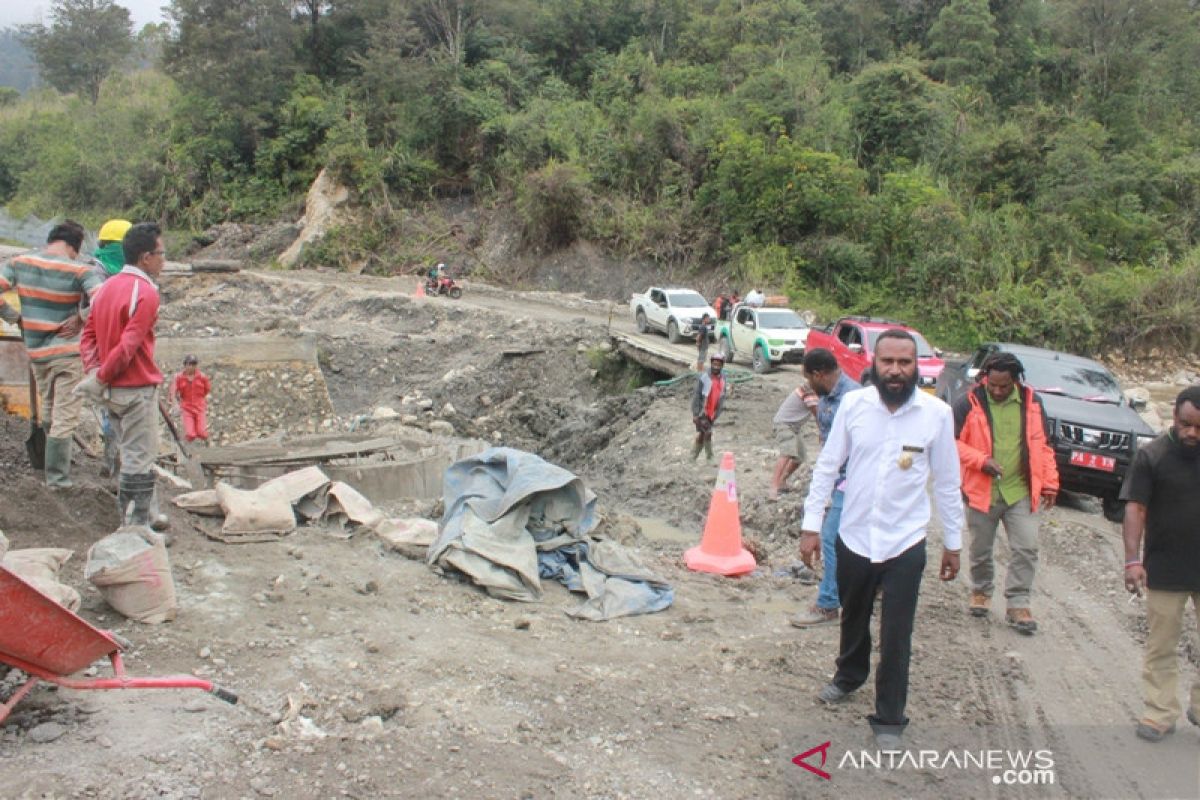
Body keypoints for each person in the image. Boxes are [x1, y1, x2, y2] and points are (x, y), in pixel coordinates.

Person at [799, 330, 963, 747]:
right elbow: (827, 465)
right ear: (874, 363)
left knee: (896, 634)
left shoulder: (937, 415)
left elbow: (947, 481)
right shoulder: (854, 405)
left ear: (916, 367)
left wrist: (953, 542)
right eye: (887, 362)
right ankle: (849, 676)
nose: (895, 371)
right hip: (854, 536)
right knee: (853, 616)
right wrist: (811, 525)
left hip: (904, 542)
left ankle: (890, 717)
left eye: (904, 363)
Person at [953, 352, 1058, 635]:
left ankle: (1018, 602)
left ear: (1016, 381)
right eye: (993, 385)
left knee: (1027, 547)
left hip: (1020, 489)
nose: (998, 391)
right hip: (981, 489)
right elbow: (951, 443)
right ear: (985, 378)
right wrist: (981, 461)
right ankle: (981, 591)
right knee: (981, 549)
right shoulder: (968, 402)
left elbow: (1043, 445)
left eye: (1004, 386)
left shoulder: (1033, 404)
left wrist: (1049, 482)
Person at [1121, 385, 1200, 743]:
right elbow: (1135, 508)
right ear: (1174, 417)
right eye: (1186, 425)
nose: (1192, 433)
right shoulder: (1152, 455)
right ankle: (1159, 712)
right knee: (1162, 644)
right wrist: (1133, 560)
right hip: (1165, 567)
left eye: (1199, 427)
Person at [0, 220, 103, 487]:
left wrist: (14, 318)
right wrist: (81, 318)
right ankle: (57, 479)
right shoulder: (81, 269)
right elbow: (104, 300)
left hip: (37, 353)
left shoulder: (19, 262)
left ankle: (47, 467)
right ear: (74, 246)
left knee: (49, 409)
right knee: (66, 415)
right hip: (68, 353)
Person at [77, 222, 165, 526]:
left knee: (128, 454)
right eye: (160, 253)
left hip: (110, 390)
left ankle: (147, 516)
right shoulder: (147, 293)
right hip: (135, 387)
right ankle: (136, 528)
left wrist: (95, 373)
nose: (163, 260)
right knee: (140, 459)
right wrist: (100, 376)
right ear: (145, 257)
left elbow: (87, 336)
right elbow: (129, 345)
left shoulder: (105, 289)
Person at [791, 348, 860, 627]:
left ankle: (828, 603)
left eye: (808, 378)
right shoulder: (828, 399)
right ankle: (866, 589)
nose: (807, 385)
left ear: (819, 374)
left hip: (854, 480)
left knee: (830, 537)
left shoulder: (852, 400)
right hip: (839, 478)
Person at [768, 382, 816, 501]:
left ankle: (782, 481)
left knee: (800, 457)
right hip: (784, 423)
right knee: (787, 452)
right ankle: (773, 489)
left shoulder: (817, 388)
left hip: (795, 426)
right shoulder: (809, 389)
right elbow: (817, 413)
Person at [690, 354, 728, 464]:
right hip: (703, 410)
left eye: (718, 364)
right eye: (714, 364)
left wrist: (718, 411)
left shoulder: (723, 378)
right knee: (708, 432)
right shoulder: (704, 377)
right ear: (711, 364)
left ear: (722, 365)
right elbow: (697, 395)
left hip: (713, 412)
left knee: (702, 434)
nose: (716, 367)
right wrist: (695, 414)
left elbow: (722, 394)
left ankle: (692, 457)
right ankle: (710, 457)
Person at [170, 354, 212, 443]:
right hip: (187, 407)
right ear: (185, 365)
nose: (191, 367)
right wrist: (175, 404)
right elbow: (173, 391)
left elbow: (207, 389)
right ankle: (186, 448)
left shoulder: (202, 377)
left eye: (193, 364)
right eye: (189, 364)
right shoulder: (179, 377)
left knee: (202, 432)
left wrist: (200, 399)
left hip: (199, 406)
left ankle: (208, 442)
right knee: (190, 434)